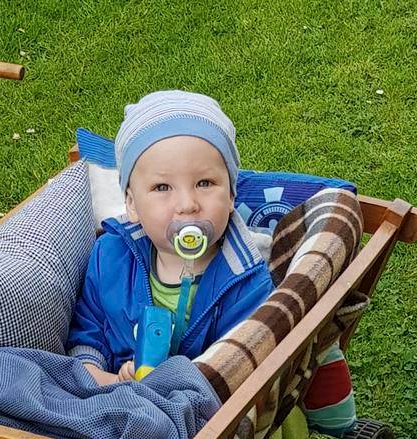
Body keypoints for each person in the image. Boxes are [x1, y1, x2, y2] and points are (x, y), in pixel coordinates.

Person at [67, 91, 274, 384]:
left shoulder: (245, 280)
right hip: (109, 395)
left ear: (231, 195)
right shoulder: (110, 255)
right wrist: (104, 380)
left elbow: (231, 373)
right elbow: (88, 331)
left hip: (195, 412)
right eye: (162, 187)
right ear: (132, 205)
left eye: (205, 183)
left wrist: (156, 386)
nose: (187, 204)